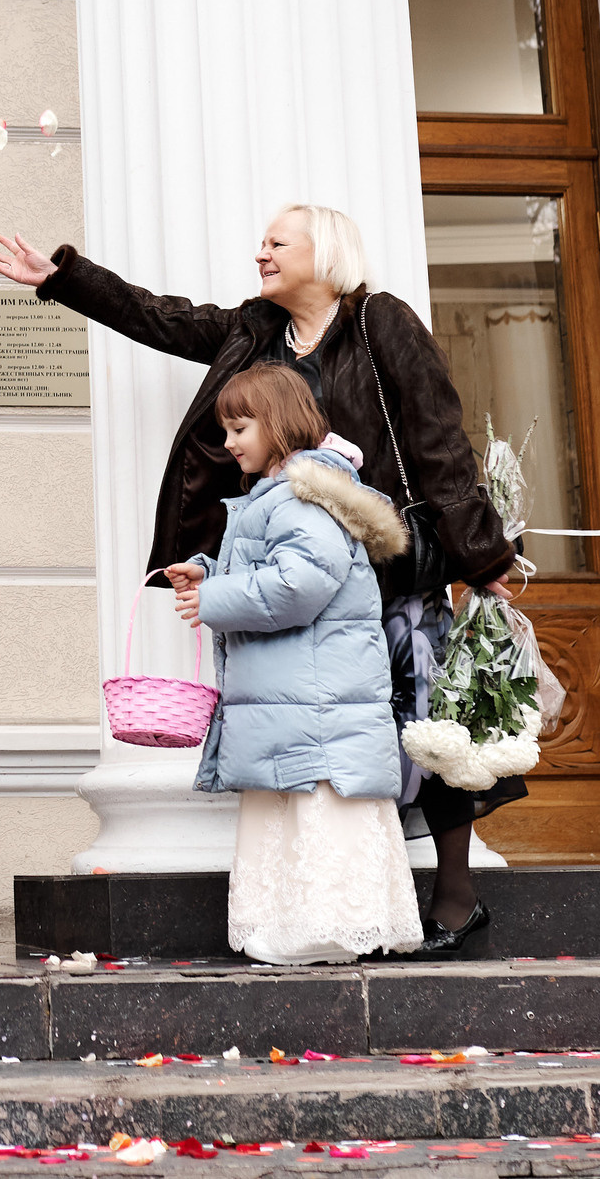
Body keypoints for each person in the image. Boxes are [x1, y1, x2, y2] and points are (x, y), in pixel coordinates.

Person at [0, 205, 518, 953]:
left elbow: (437, 431)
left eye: (276, 242)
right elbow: (163, 319)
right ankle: (357, 897)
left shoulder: (379, 321)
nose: (259, 252)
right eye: (261, 242)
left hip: (384, 557)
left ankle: (455, 899)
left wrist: (482, 554)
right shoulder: (254, 328)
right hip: (296, 562)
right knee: (334, 726)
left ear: (323, 251)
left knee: (424, 723)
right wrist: (66, 280)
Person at [165, 365, 421, 965]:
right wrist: (210, 571)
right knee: (301, 814)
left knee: (317, 813)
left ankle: (323, 929)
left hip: (315, 708)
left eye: (239, 427)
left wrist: (213, 600)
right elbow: (278, 564)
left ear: (278, 424)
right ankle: (302, 929)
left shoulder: (303, 494)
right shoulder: (282, 495)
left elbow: (301, 582)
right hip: (303, 703)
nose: (228, 443)